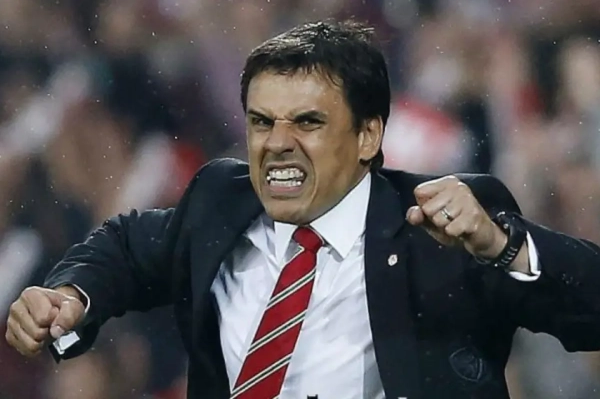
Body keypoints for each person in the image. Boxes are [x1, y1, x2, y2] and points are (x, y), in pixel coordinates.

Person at [5, 20, 600, 399]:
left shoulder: (441, 226)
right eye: (262, 122)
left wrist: (502, 246)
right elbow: (126, 247)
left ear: (368, 136)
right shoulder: (220, 200)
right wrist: (71, 295)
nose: (277, 143)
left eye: (308, 122)